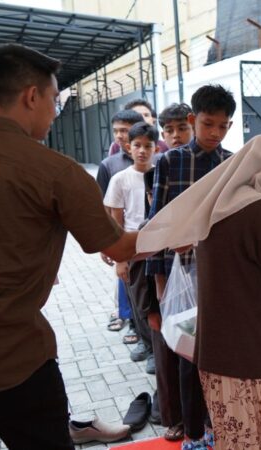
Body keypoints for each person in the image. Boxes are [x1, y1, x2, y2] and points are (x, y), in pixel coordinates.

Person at [0, 43, 137, 450]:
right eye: (54, 100)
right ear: (31, 96)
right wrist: (183, 223)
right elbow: (118, 248)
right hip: (14, 362)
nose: (54, 111)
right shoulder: (53, 171)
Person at [138, 134, 261, 449]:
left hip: (217, 355)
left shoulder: (221, 203)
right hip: (250, 357)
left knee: (238, 439)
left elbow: (248, 273)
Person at [145, 84, 237, 450]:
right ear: (191, 120)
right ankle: (194, 433)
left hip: (222, 278)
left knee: (219, 356)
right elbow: (156, 225)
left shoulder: (231, 163)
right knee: (187, 355)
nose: (215, 133)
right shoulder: (170, 161)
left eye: (223, 126)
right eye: (208, 124)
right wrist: (158, 291)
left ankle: (219, 425)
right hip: (180, 275)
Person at [138, 102, 196, 441]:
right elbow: (156, 222)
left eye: (181, 129)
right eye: (169, 131)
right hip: (166, 269)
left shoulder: (216, 162)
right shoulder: (163, 165)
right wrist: (158, 283)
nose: (175, 136)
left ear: (192, 126)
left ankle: (204, 417)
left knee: (200, 350)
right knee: (170, 350)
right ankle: (176, 419)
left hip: (203, 270)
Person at [104, 121, 158, 376]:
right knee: (138, 303)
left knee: (157, 302)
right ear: (128, 147)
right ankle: (147, 347)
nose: (142, 151)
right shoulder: (120, 179)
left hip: (158, 248)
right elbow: (116, 220)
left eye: (148, 146)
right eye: (137, 145)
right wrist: (120, 259)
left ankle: (158, 350)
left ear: (156, 148)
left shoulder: (162, 174)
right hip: (132, 250)